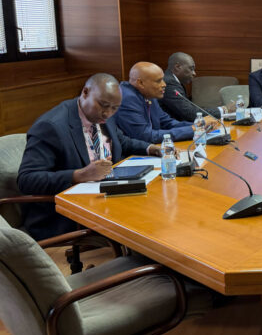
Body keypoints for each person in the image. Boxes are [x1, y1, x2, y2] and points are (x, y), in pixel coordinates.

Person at [17, 73, 160, 240]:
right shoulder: (51, 127)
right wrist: (79, 175)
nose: (108, 113)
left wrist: (150, 148)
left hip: (108, 198)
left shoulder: (103, 115)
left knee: (156, 207)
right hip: (67, 216)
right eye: (104, 106)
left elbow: (121, 141)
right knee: (143, 224)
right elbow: (27, 180)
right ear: (85, 92)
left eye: (115, 108)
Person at [115, 62, 199, 143]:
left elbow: (166, 122)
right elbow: (146, 136)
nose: (164, 84)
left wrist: (198, 125)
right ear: (140, 83)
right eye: (158, 81)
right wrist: (192, 130)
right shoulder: (127, 99)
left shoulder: (148, 94)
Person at [161, 52, 232, 122]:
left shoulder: (173, 80)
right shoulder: (169, 83)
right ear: (177, 67)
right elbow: (190, 113)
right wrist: (224, 109)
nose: (194, 73)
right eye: (191, 69)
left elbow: (191, 109)